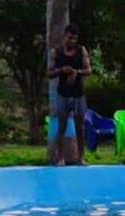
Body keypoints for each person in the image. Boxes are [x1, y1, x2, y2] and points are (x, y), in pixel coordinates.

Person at [47, 23, 92, 166]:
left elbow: (88, 70)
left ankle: (81, 158)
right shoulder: (56, 52)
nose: (72, 41)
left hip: (78, 94)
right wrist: (61, 70)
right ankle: (60, 158)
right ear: (64, 37)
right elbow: (49, 73)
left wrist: (76, 72)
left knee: (80, 126)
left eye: (74, 39)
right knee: (62, 126)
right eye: (69, 38)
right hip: (63, 95)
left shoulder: (81, 51)